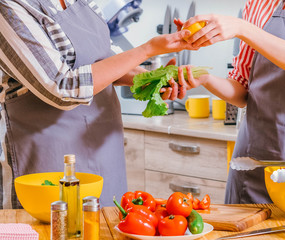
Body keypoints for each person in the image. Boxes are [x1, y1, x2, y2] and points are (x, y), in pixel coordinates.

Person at [0, 0, 197, 208]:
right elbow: (62, 87)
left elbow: (105, 64)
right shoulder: (9, 7)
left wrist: (153, 80)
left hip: (104, 150)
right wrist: (147, 49)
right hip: (50, 155)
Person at [171, 0, 285, 203]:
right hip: (254, 166)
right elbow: (242, 89)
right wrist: (204, 78)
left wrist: (243, 28)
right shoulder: (261, 4)